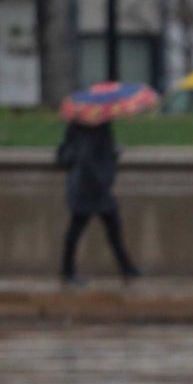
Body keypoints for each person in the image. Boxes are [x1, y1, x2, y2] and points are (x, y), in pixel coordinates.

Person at [55, 121, 140, 286]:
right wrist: (111, 158)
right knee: (82, 229)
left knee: (108, 227)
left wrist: (111, 152)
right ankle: (68, 270)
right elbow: (90, 158)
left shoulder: (81, 127)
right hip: (91, 189)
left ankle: (125, 266)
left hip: (88, 188)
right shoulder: (94, 128)